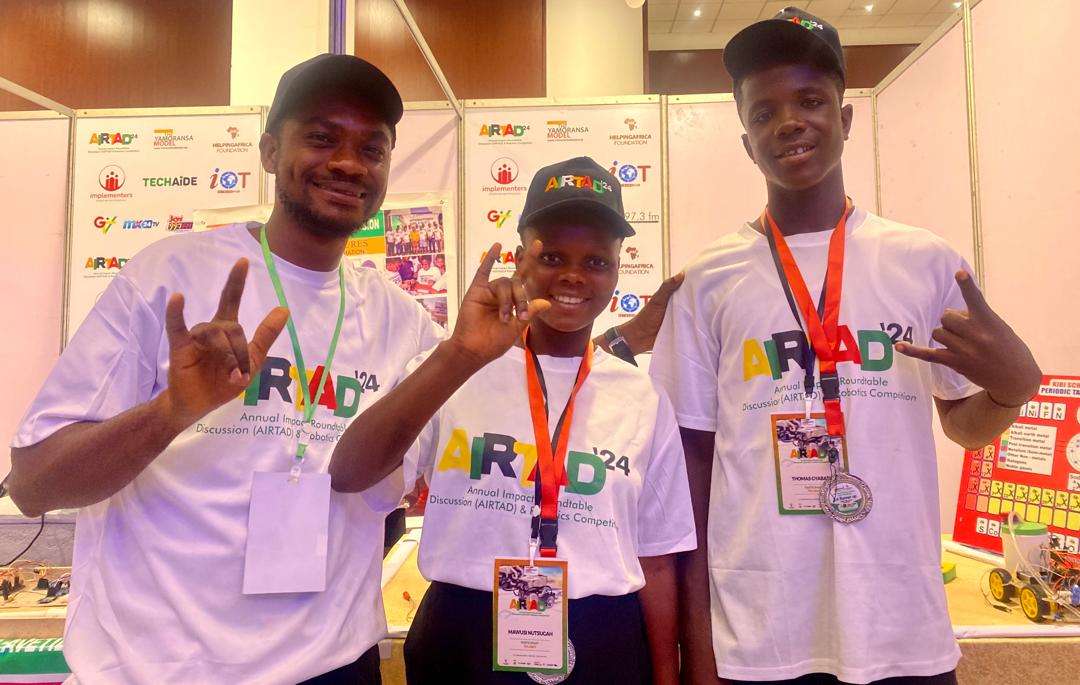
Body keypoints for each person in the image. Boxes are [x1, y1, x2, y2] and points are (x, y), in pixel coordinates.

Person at [5, 54, 440, 685]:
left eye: (371, 149)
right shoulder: (169, 277)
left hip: (332, 666)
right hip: (156, 672)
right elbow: (33, 486)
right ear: (269, 151)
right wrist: (170, 411)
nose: (349, 163)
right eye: (321, 138)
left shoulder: (405, 323)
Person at [649, 9, 1041, 685]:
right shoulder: (709, 279)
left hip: (900, 626)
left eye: (810, 100)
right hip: (760, 631)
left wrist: (1011, 392)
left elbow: (962, 424)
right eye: (764, 112)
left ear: (846, 118)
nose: (789, 122)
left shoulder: (923, 262)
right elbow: (694, 464)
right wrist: (699, 644)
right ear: (746, 142)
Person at [329, 157, 697, 685]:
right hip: (464, 631)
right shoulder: (455, 369)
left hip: (603, 637)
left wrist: (666, 676)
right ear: (520, 260)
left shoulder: (641, 396)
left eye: (597, 261)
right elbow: (349, 472)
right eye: (552, 256)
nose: (573, 275)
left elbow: (657, 557)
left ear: (618, 272)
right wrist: (458, 355)